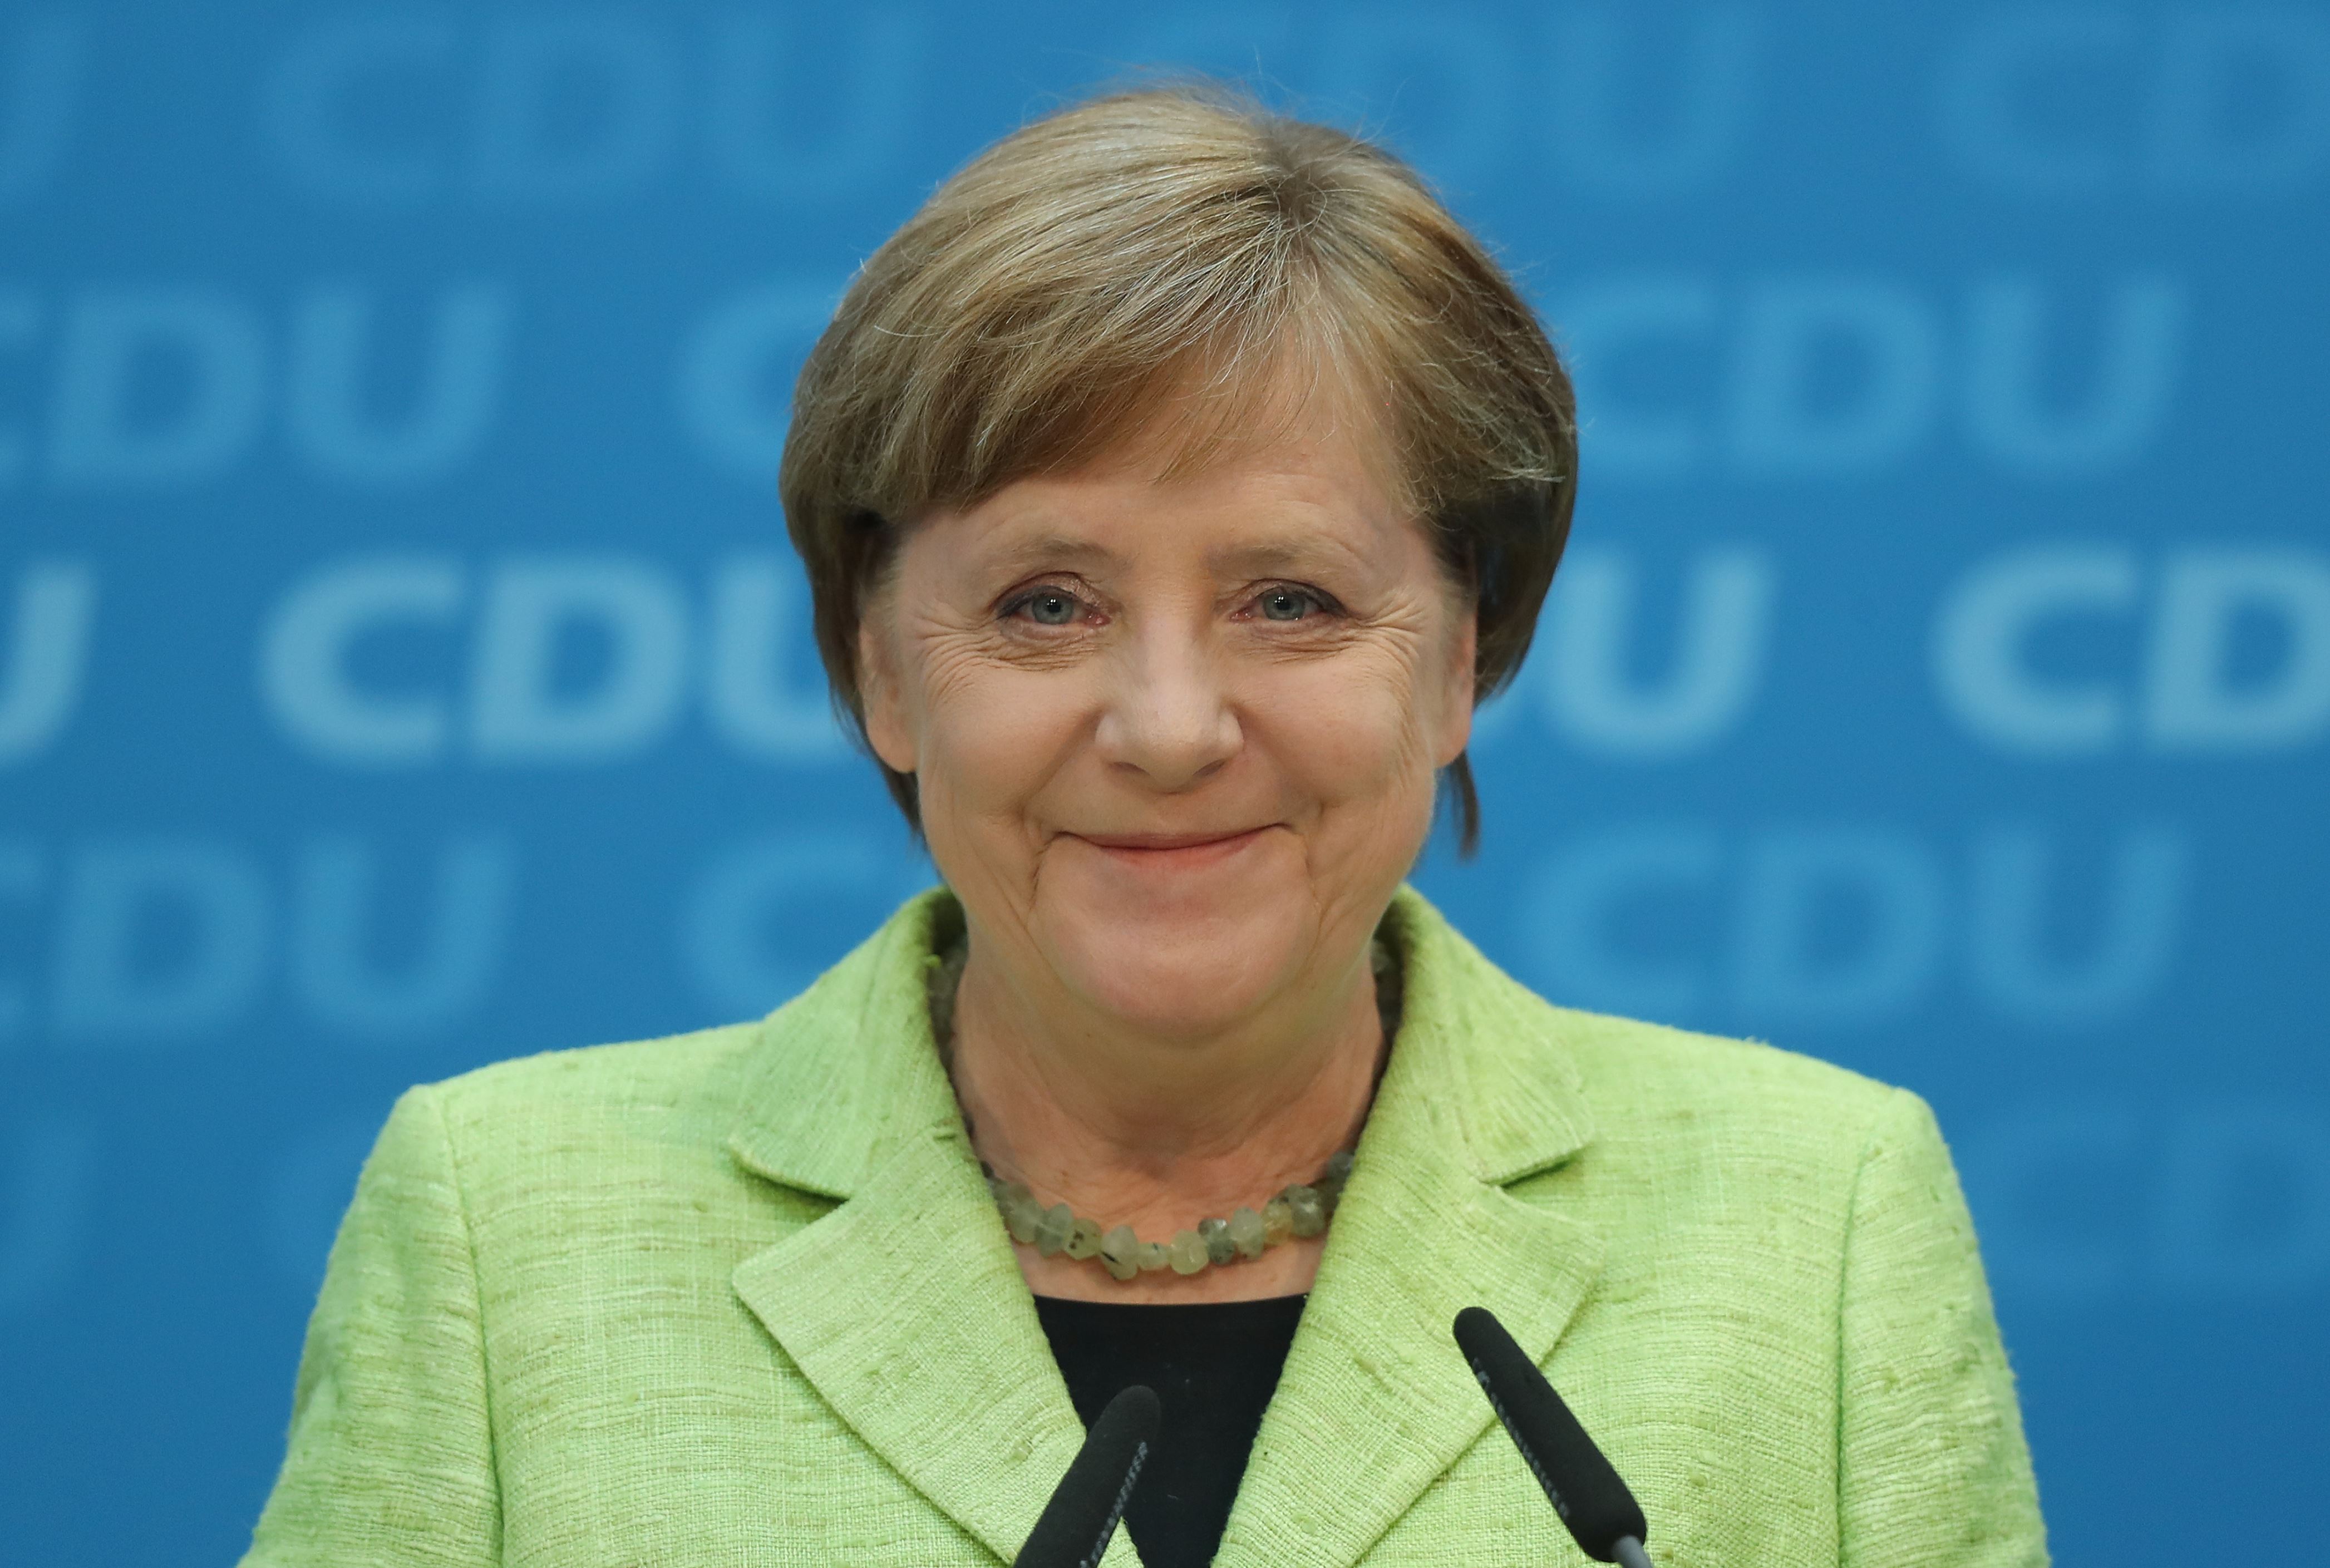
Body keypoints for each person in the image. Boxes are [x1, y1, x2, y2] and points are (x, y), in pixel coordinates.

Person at [240, 85, 2047, 1567]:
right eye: (1042, 603)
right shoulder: (507, 1229)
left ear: (1458, 659)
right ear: (879, 664)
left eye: (1288, 600)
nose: (1170, 728)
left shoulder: (1813, 1221)